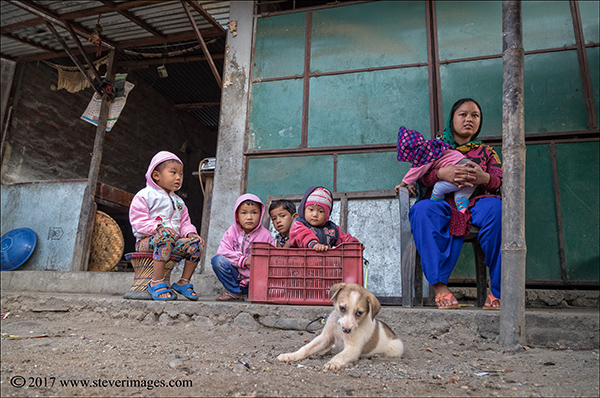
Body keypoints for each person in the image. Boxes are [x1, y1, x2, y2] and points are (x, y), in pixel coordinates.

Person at [405, 98, 503, 309]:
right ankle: (441, 289)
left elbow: (498, 181)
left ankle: (497, 290)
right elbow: (422, 177)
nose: (469, 119)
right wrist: (441, 173)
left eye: (475, 115)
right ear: (452, 118)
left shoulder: (487, 152)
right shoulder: (435, 147)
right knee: (421, 210)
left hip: (475, 202)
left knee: (497, 209)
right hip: (441, 202)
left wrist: (483, 178)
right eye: (463, 114)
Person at [129, 151, 205, 301]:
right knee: (166, 236)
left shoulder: (179, 201)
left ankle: (184, 282)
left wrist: (190, 233)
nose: (178, 177)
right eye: (173, 172)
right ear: (156, 175)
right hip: (147, 242)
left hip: (171, 242)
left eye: (181, 174)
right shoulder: (145, 195)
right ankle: (156, 281)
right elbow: (138, 221)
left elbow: (184, 223)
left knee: (196, 244)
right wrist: (157, 228)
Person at [395, 126, 476, 212]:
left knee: (438, 188)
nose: (411, 163)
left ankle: (434, 205)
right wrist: (411, 184)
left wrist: (402, 184)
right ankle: (462, 209)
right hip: (472, 170)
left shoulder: (423, 153)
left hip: (459, 168)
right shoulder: (431, 148)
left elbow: (416, 170)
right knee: (461, 195)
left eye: (409, 160)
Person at [211, 194, 275, 300]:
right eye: (244, 213)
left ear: (261, 215)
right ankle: (235, 292)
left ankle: (258, 294)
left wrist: (257, 261)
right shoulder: (232, 231)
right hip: (236, 279)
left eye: (254, 212)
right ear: (237, 216)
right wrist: (243, 261)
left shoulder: (265, 235)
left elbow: (272, 260)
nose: (249, 217)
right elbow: (223, 251)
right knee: (218, 261)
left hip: (256, 281)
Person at [289, 186, 360, 251]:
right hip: (301, 262)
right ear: (303, 210)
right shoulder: (298, 224)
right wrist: (314, 245)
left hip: (324, 263)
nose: (315, 214)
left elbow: (344, 238)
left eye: (320, 211)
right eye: (311, 209)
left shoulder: (331, 228)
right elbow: (303, 235)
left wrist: (354, 244)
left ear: (327, 215)